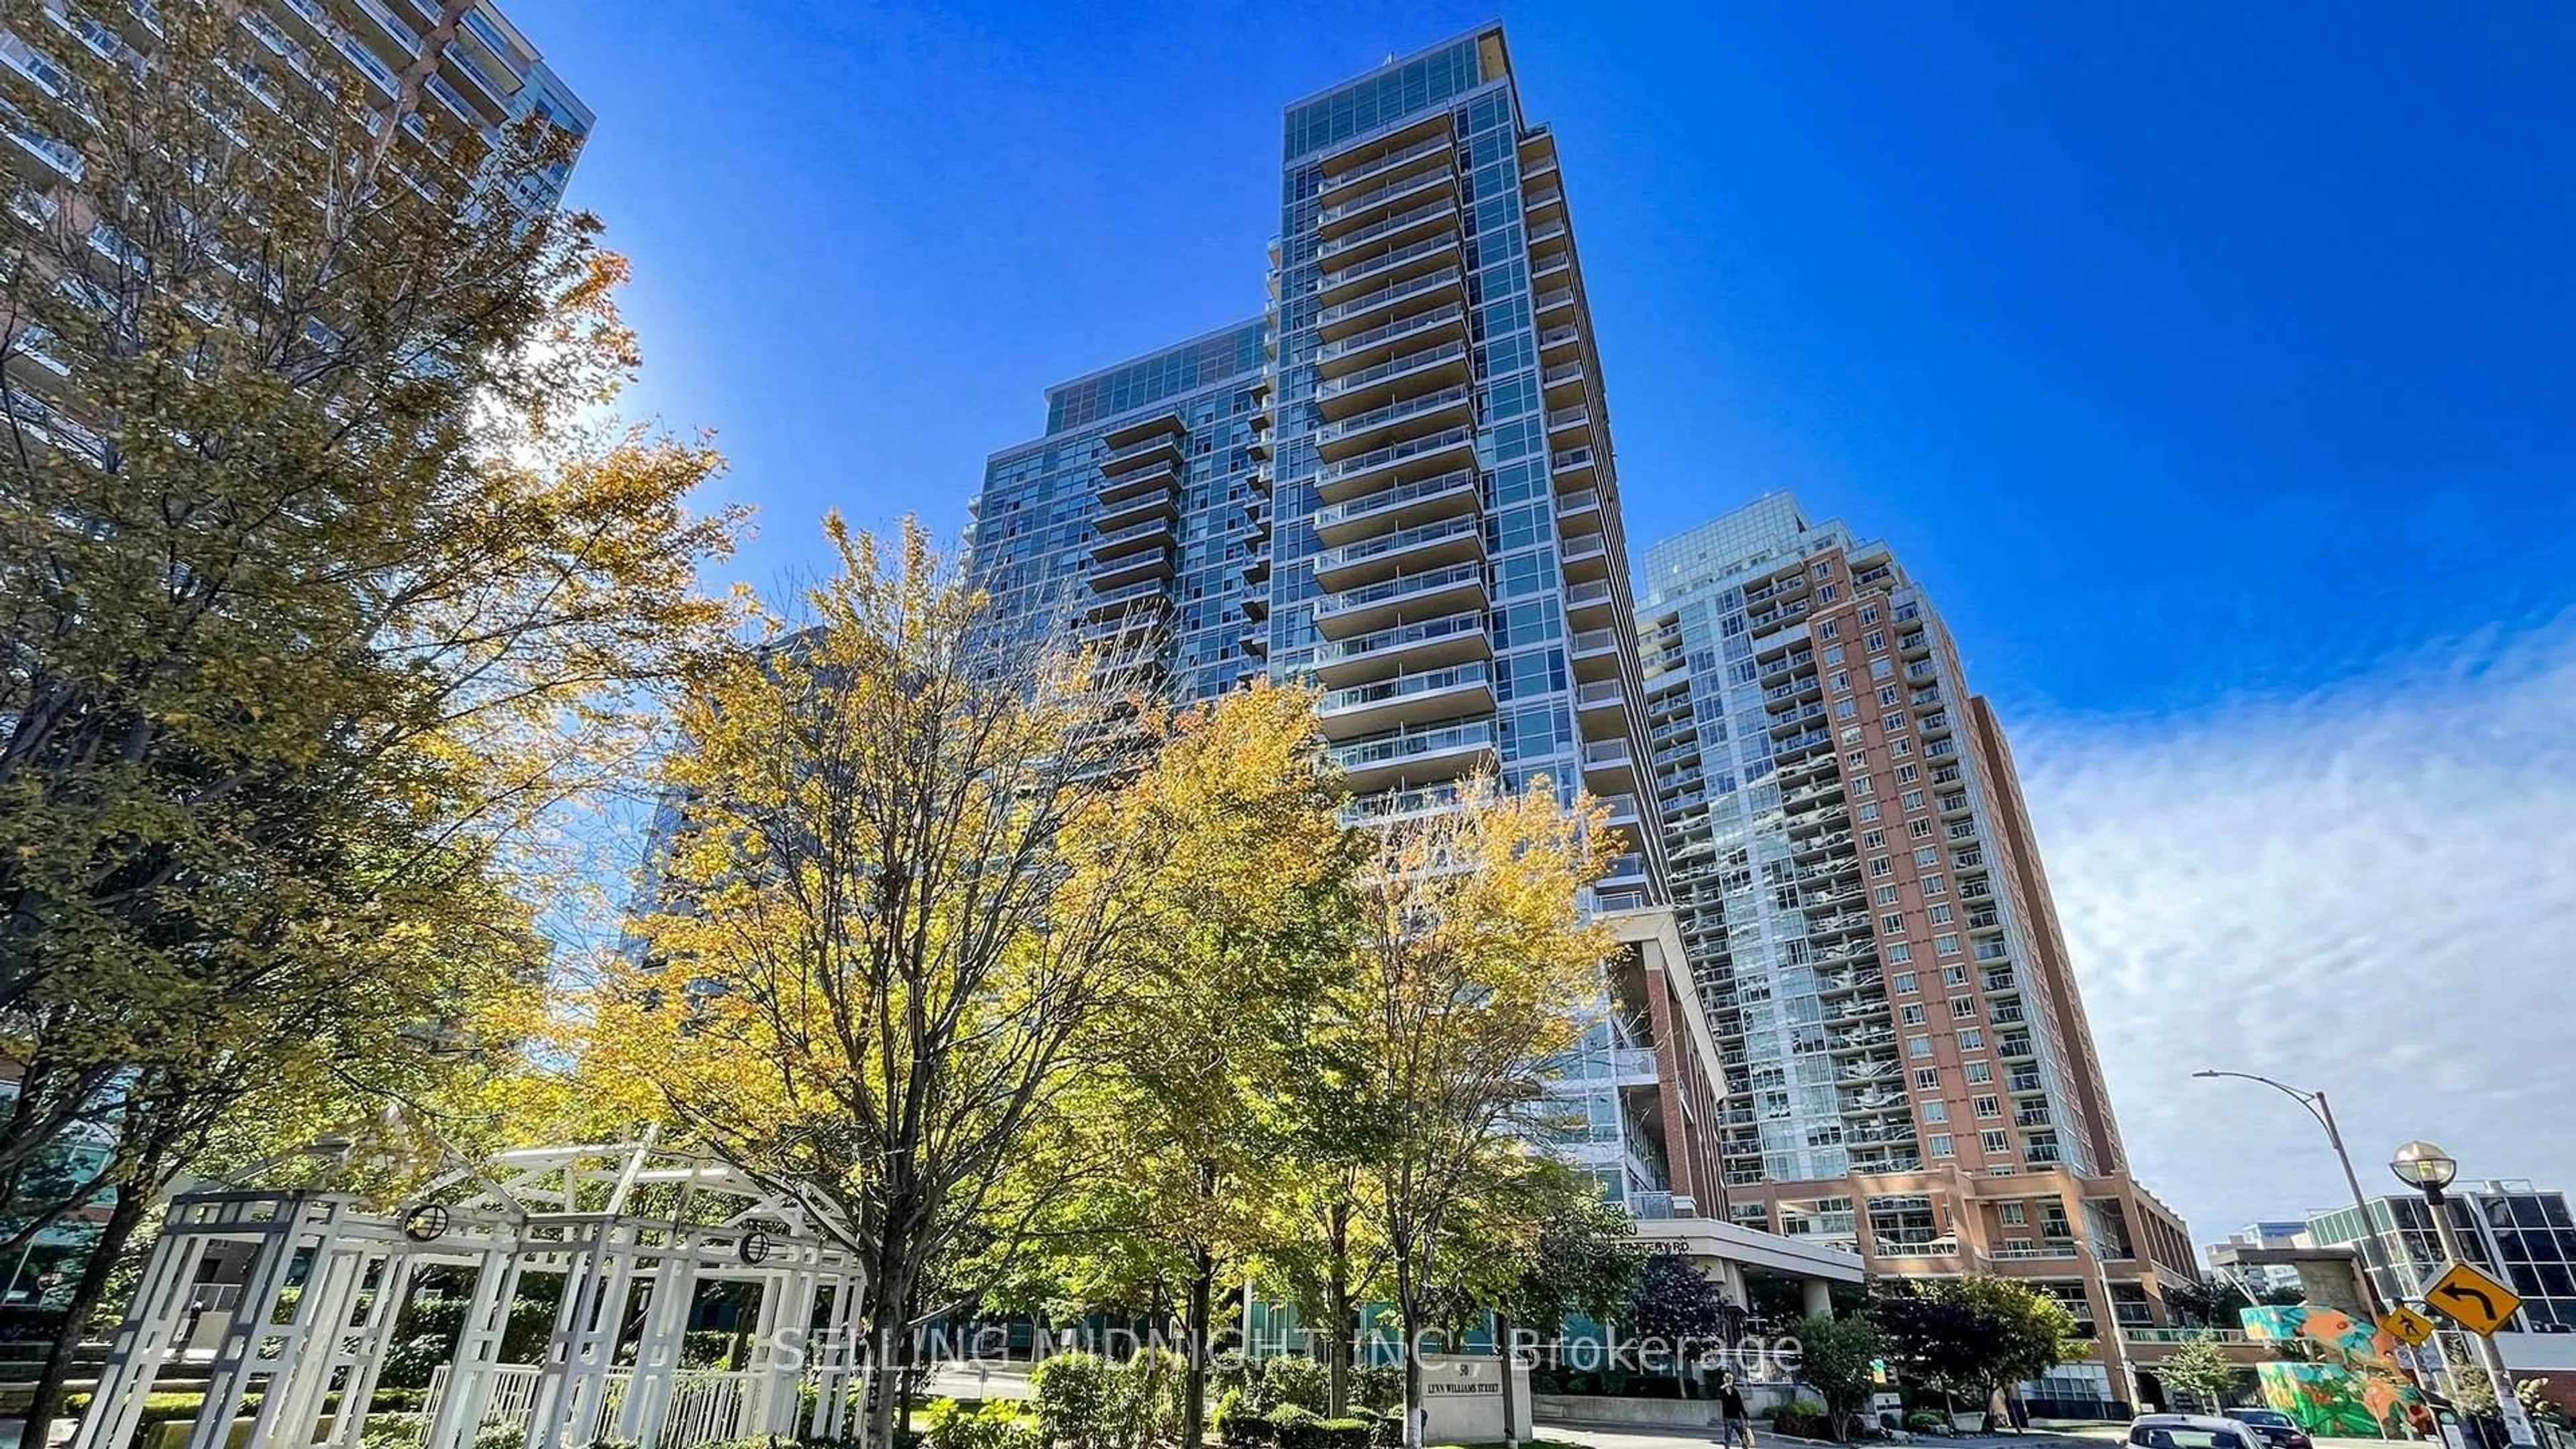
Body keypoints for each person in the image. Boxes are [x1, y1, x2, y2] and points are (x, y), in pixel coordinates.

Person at [1721, 1372, 1755, 1449]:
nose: (1730, 1381)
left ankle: (1745, 1447)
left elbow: (1740, 1405)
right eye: (1729, 1380)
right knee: (1729, 1438)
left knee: (1741, 1437)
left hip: (1734, 1417)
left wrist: (1746, 1417)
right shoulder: (1723, 1391)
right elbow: (1741, 1406)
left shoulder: (1735, 1392)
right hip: (1729, 1418)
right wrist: (1746, 1418)